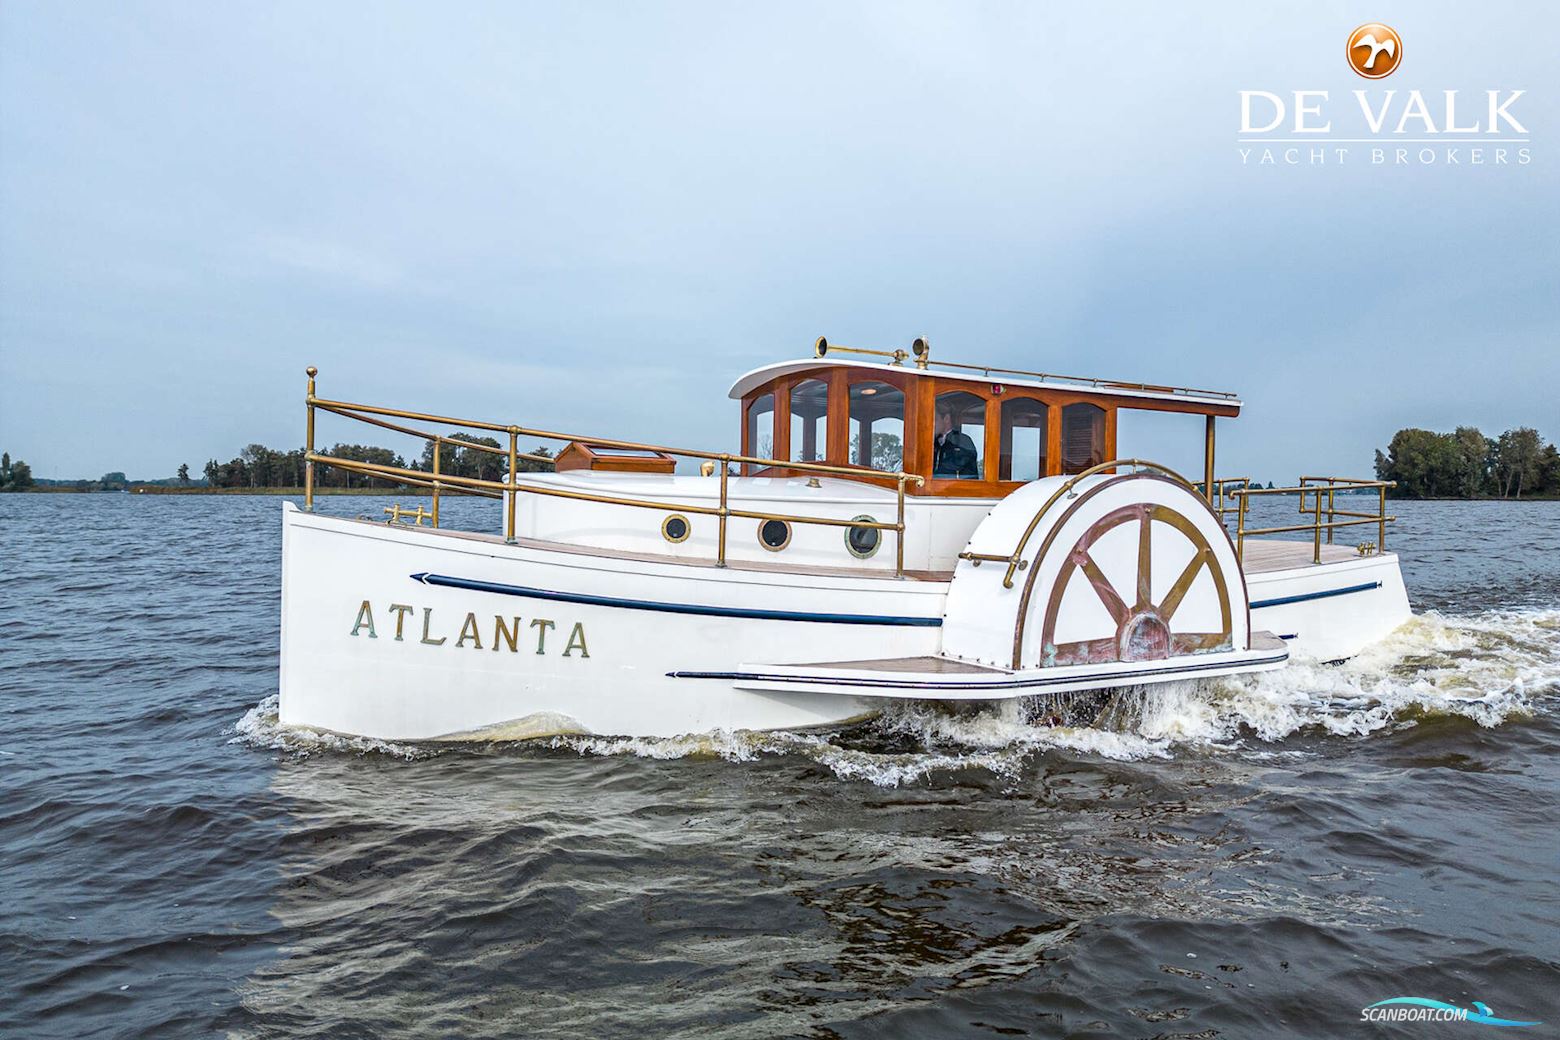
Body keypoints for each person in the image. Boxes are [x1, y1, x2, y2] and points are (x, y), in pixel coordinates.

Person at [933, 406, 980, 478]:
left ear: (946, 419)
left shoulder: (963, 441)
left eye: (935, 419)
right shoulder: (934, 441)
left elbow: (954, 467)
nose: (932, 424)